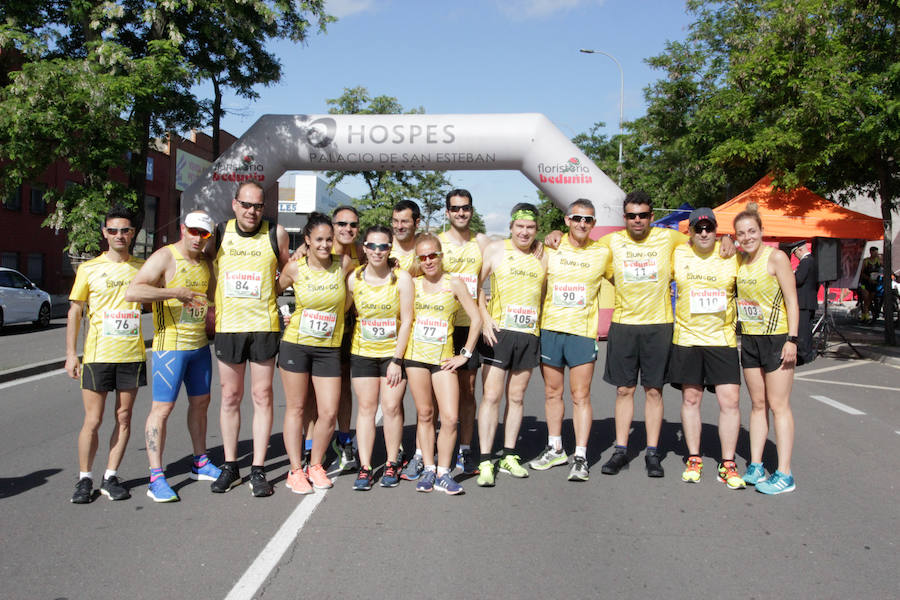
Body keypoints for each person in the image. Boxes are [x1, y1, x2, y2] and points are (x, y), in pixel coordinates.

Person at [124, 211, 221, 502]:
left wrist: (214, 318)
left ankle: (200, 461)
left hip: (200, 347)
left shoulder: (206, 262)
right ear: (182, 229)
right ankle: (156, 477)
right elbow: (133, 292)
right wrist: (172, 292)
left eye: (203, 234)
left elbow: (212, 300)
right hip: (170, 348)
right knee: (162, 409)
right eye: (192, 231)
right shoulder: (165, 257)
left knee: (201, 403)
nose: (197, 238)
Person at [206, 181, 290, 497]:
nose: (252, 211)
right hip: (229, 326)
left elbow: (290, 270)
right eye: (246, 204)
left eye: (257, 206)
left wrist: (273, 291)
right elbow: (203, 264)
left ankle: (258, 469)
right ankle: (230, 466)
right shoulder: (219, 232)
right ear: (234, 204)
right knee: (230, 396)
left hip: (264, 325)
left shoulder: (276, 233)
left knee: (262, 395)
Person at [66, 207, 146, 504]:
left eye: (124, 230)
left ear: (132, 233)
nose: (119, 236)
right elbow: (75, 311)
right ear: (104, 233)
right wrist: (71, 354)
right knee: (94, 420)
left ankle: (110, 476)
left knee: (124, 417)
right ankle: (84, 478)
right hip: (98, 355)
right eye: (113, 230)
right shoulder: (88, 269)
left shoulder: (143, 267)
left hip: (131, 354)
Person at [530, 199, 609, 482]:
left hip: (582, 333)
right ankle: (555, 448)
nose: (582, 224)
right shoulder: (550, 247)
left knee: (580, 395)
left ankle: (581, 455)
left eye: (588, 220)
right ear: (567, 220)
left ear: (594, 224)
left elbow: (625, 280)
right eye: (577, 218)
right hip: (551, 329)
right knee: (552, 393)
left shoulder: (603, 253)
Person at [276, 213, 352, 492]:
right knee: (296, 408)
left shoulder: (343, 264)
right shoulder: (295, 268)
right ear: (306, 240)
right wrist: (281, 315)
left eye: (328, 240)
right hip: (296, 344)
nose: (324, 245)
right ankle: (295, 470)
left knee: (329, 411)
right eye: (318, 239)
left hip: (329, 349)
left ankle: (316, 465)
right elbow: (272, 290)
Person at [670, 208, 745, 490]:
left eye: (709, 228)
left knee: (731, 402)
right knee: (691, 401)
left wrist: (731, 239)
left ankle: (728, 463)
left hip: (721, 341)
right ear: (689, 231)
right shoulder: (677, 253)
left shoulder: (731, 255)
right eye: (698, 228)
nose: (704, 233)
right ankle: (694, 458)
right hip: (688, 339)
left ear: (716, 230)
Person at [475, 203, 548, 487]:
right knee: (491, 396)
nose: (525, 232)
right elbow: (476, 286)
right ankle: (484, 459)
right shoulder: (495, 249)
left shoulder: (543, 256)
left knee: (516, 398)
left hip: (529, 333)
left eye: (530, 227)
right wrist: (484, 318)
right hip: (499, 333)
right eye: (520, 227)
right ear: (511, 227)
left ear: (536, 230)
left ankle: (509, 455)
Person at [403, 233, 482, 494]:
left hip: (443, 360)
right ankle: (428, 468)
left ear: (441, 255)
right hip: (415, 358)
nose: (428, 261)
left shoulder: (454, 282)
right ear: (418, 260)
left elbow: (477, 319)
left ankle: (444, 472)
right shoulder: (412, 283)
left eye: (432, 255)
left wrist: (465, 354)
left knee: (450, 417)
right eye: (422, 257)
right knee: (425, 414)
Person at [734, 203, 799, 494]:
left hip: (777, 338)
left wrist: (793, 340)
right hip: (749, 339)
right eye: (741, 233)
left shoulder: (777, 258)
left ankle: (785, 473)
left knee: (778, 405)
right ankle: (757, 464)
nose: (747, 237)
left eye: (752, 231)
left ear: (761, 231)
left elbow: (792, 301)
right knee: (758, 404)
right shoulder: (739, 260)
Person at [347, 226, 414, 490]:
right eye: (372, 246)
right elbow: (344, 309)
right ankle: (364, 466)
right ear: (364, 248)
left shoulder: (402, 278)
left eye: (383, 246)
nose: (377, 251)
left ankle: (390, 462)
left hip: (392, 355)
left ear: (390, 249)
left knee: (391, 407)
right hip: (362, 352)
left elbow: (407, 320)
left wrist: (397, 360)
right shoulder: (354, 278)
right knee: (365, 409)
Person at [437, 189, 491, 475]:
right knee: (439, 392)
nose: (461, 213)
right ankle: (432, 448)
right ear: (447, 212)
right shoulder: (438, 242)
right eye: (455, 208)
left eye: (465, 208)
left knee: (468, 391)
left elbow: (518, 248)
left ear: (471, 210)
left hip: (469, 326)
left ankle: (465, 448)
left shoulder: (482, 242)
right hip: (440, 327)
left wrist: (552, 237)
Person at [329, 205, 362, 472]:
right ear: (332, 225)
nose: (347, 229)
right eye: (342, 224)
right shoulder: (319, 249)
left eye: (352, 225)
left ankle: (344, 439)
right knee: (312, 393)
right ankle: (309, 446)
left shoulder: (361, 251)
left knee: (344, 387)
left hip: (352, 327)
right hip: (321, 328)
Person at [787, 240, 818, 365]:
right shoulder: (813, 261)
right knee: (807, 329)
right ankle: (808, 353)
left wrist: (791, 275)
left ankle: (803, 355)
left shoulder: (806, 262)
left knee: (802, 330)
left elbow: (799, 279)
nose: (795, 256)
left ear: (799, 250)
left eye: (795, 254)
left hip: (803, 301)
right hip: (809, 300)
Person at [390, 200, 421, 274]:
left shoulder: (425, 248)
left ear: (417, 223)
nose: (399, 226)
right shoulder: (383, 247)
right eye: (395, 221)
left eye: (404, 221)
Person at [859, 246, 882, 322]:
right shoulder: (866, 261)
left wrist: (894, 275)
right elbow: (861, 273)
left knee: (869, 300)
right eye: (875, 252)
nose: (876, 254)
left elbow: (886, 267)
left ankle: (864, 313)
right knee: (866, 298)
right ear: (871, 252)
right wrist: (868, 278)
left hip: (874, 283)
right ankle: (866, 316)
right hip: (864, 283)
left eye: (877, 252)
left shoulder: (879, 261)